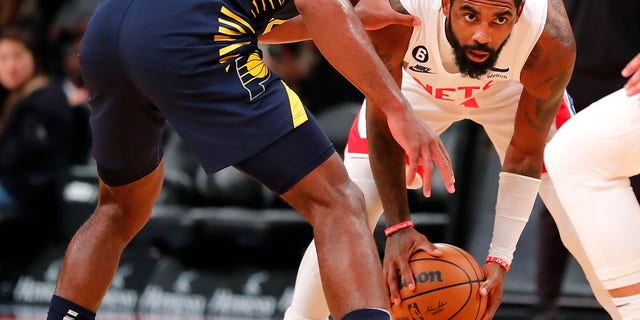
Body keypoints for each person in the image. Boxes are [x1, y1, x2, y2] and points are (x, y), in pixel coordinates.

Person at [44, 0, 456, 320]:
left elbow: (260, 17)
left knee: (118, 208)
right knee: (337, 201)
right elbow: (318, 8)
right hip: (190, 38)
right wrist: (397, 106)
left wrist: (348, 14)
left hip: (108, 31)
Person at [259, 0, 587, 319]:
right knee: (348, 209)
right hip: (415, 86)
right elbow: (383, 115)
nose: (482, 36)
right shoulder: (401, 9)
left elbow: (524, 155)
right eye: (470, 15)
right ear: (445, 4)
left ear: (519, 12)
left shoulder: (549, 36)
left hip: (511, 90)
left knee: (582, 216)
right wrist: (399, 226)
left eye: (499, 19)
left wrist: (500, 258)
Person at [532, 1, 640, 318]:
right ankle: (545, 300)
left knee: (579, 165)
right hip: (570, 75)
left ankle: (625, 303)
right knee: (560, 184)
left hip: (626, 73)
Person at [0, 25, 72, 274]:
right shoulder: (18, 97)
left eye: (18, 55)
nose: (11, 65)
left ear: (35, 56)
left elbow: (17, 156)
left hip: (31, 192)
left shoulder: (44, 99)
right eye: (2, 59)